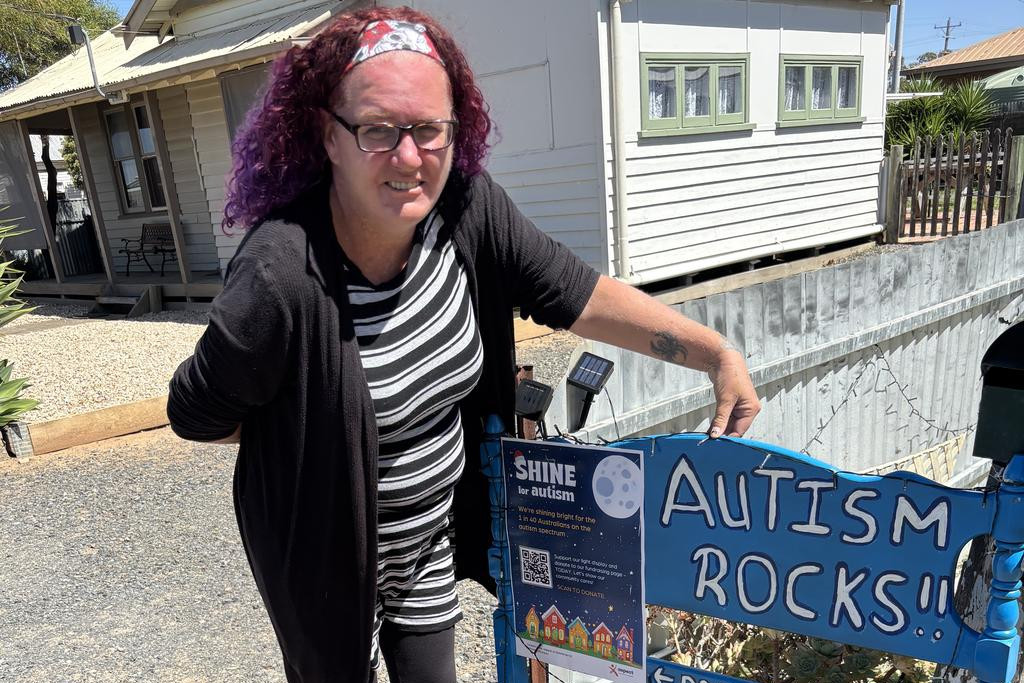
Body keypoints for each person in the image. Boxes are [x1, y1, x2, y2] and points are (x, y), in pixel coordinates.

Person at [167, 7, 760, 683]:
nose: (410, 156)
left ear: (457, 129)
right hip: (324, 565)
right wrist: (301, 434)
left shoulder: (469, 211)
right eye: (377, 130)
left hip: (428, 545)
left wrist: (714, 352)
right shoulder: (279, 273)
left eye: (428, 129)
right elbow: (195, 411)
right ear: (327, 137)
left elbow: (580, 294)